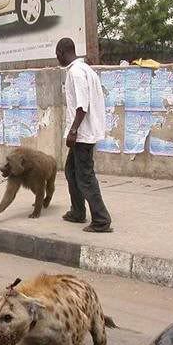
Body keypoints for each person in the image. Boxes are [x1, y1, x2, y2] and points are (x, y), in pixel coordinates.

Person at [56, 38, 113, 233]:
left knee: (85, 177)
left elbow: (82, 106)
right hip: (85, 132)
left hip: (82, 133)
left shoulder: (75, 72)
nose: (57, 59)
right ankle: (77, 211)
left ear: (63, 52)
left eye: (57, 55)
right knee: (71, 171)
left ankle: (101, 220)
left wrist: (73, 131)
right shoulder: (87, 69)